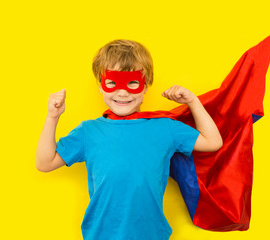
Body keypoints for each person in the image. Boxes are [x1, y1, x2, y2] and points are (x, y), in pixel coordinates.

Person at [36, 39, 223, 240]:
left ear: (145, 86)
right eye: (112, 82)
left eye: (133, 82)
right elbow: (45, 163)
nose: (123, 92)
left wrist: (192, 102)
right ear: (100, 85)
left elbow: (213, 142)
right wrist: (52, 117)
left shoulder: (165, 127)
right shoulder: (88, 132)